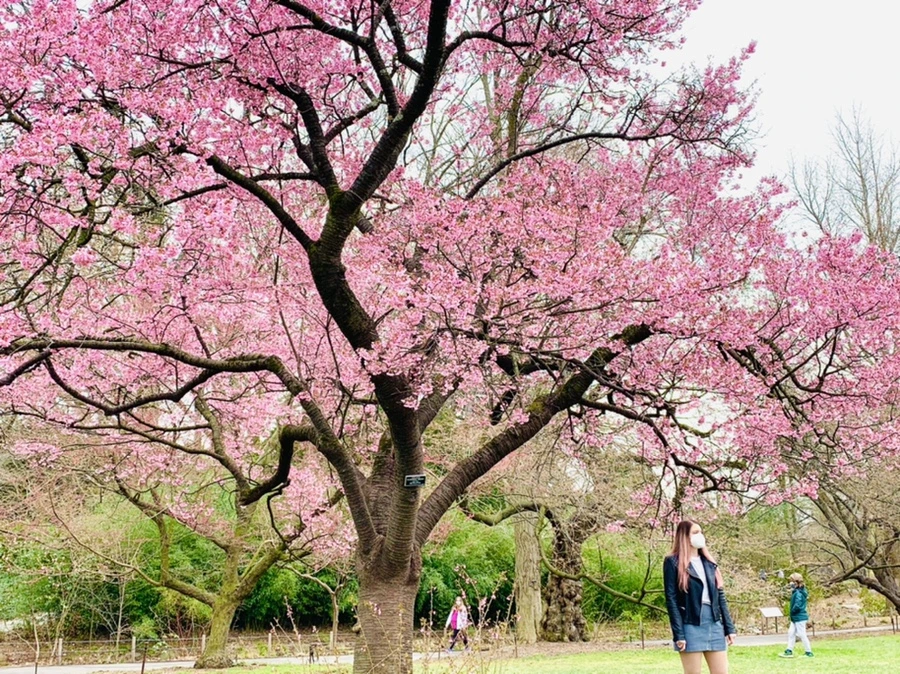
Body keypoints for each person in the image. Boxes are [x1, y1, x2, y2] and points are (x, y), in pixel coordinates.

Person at [664, 520, 736, 674]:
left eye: (701, 532)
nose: (700, 536)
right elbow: (671, 600)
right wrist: (679, 633)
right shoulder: (673, 562)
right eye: (695, 532)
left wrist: (729, 628)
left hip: (714, 623)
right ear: (684, 536)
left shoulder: (709, 562)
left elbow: (720, 595)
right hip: (690, 623)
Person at [780, 572, 814, 658]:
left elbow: (797, 605)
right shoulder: (797, 591)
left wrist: (792, 611)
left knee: (802, 634)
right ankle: (789, 650)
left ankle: (808, 652)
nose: (790, 583)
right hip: (795, 617)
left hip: (799, 617)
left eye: (791, 581)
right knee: (791, 633)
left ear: (795, 582)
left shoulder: (798, 592)